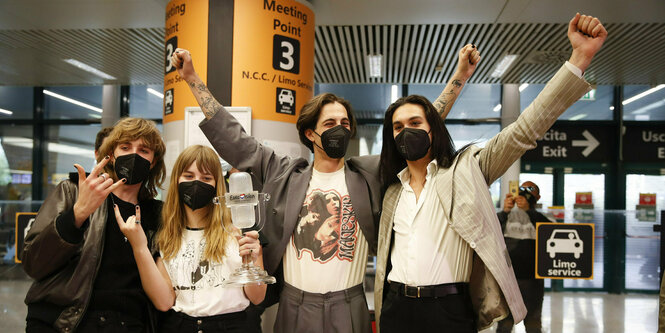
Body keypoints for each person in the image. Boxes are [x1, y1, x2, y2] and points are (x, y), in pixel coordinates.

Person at [171, 44, 480, 332]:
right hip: (294, 304)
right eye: (330, 124)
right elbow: (235, 140)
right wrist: (192, 78)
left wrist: (459, 77)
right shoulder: (284, 172)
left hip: (351, 303)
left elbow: (422, 124)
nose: (340, 130)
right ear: (310, 132)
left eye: (345, 124)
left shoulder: (370, 173)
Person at [374, 13, 607, 333]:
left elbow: (526, 128)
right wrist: (457, 76)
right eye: (398, 127)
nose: (406, 132)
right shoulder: (391, 191)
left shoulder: (466, 170)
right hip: (396, 309)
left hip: (449, 310)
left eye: (415, 124)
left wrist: (579, 57)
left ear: (433, 128)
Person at [22, 117, 166, 332]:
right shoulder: (73, 191)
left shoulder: (159, 213)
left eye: (144, 150)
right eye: (125, 147)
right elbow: (33, 263)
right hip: (65, 322)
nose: (134, 155)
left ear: (153, 161)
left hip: (129, 323)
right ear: (111, 155)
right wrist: (78, 213)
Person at [115, 145, 266, 332]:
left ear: (217, 183)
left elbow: (257, 297)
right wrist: (139, 247)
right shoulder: (166, 236)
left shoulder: (239, 230)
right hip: (180, 325)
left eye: (206, 178)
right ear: (177, 180)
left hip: (232, 325)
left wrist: (252, 262)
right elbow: (164, 302)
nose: (196, 183)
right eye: (188, 176)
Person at [496, 181, 550, 333]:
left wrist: (529, 211)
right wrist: (505, 211)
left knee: (533, 324)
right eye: (522, 190)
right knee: (504, 325)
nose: (525, 193)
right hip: (508, 280)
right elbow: (489, 231)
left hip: (533, 280)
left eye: (530, 191)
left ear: (537, 197)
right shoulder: (506, 217)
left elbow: (550, 232)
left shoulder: (542, 218)